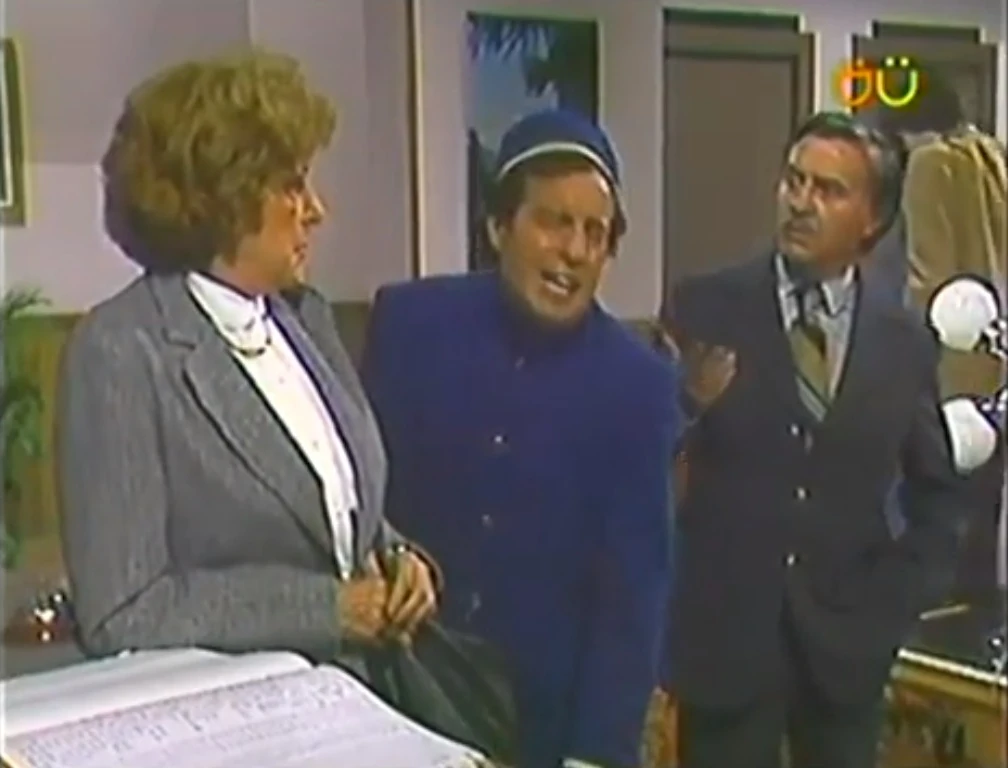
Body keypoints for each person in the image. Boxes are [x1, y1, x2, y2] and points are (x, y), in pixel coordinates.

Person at [57, 49, 439, 666]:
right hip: (245, 710)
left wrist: (398, 559)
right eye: (293, 185)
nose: (317, 210)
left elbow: (333, 516)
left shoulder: (304, 318)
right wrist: (330, 610)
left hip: (361, 690)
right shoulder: (122, 351)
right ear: (225, 198)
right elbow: (122, 612)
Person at [361, 109, 680, 768]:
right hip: (394, 691)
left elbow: (631, 599)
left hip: (540, 728)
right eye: (554, 222)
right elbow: (355, 497)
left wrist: (595, 756)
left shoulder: (639, 386)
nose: (575, 251)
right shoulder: (409, 325)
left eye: (595, 233)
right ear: (498, 227)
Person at [663, 111, 967, 768]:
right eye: (794, 180)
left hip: (846, 658)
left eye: (828, 190)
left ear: (872, 220)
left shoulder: (904, 342)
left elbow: (939, 495)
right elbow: (659, 463)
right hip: (726, 653)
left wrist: (895, 601)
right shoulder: (706, 307)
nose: (801, 203)